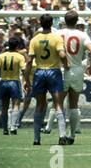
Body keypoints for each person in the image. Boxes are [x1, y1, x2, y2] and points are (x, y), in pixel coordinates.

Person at [24, 14, 71, 145]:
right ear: (52, 24)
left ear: (40, 23)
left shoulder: (34, 40)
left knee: (39, 105)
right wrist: (66, 64)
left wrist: (26, 79)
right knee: (58, 104)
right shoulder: (56, 38)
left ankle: (36, 138)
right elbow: (62, 54)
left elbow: (29, 62)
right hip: (53, 72)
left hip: (39, 73)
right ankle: (62, 135)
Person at [54, 10, 91, 144]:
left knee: (59, 103)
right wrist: (90, 67)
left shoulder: (58, 33)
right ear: (77, 21)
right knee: (74, 104)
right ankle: (72, 135)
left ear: (64, 21)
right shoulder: (82, 35)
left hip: (62, 69)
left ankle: (62, 134)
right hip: (78, 69)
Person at [0, 38, 26, 135]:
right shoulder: (19, 56)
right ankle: (13, 127)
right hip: (14, 82)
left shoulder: (1, 56)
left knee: (4, 106)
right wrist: (27, 82)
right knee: (16, 105)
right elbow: (24, 70)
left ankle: (4, 128)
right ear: (17, 46)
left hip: (4, 82)